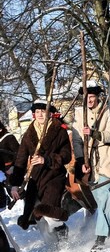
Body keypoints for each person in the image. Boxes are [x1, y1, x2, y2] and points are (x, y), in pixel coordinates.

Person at [10, 100, 71, 241]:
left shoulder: (59, 131)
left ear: (50, 114)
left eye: (43, 111)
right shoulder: (28, 134)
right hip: (35, 179)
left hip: (54, 177)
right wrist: (15, 184)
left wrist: (47, 160)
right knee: (37, 216)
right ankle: (50, 244)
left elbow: (66, 155)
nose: (40, 114)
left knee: (49, 214)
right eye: (37, 112)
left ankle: (63, 235)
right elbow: (20, 159)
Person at [72, 80, 110, 252]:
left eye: (92, 97)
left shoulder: (109, 111)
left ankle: (101, 236)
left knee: (104, 195)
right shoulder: (79, 114)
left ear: (98, 96)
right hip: (90, 163)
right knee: (100, 198)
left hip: (107, 159)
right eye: (86, 97)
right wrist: (80, 160)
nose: (89, 101)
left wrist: (94, 133)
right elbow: (77, 140)